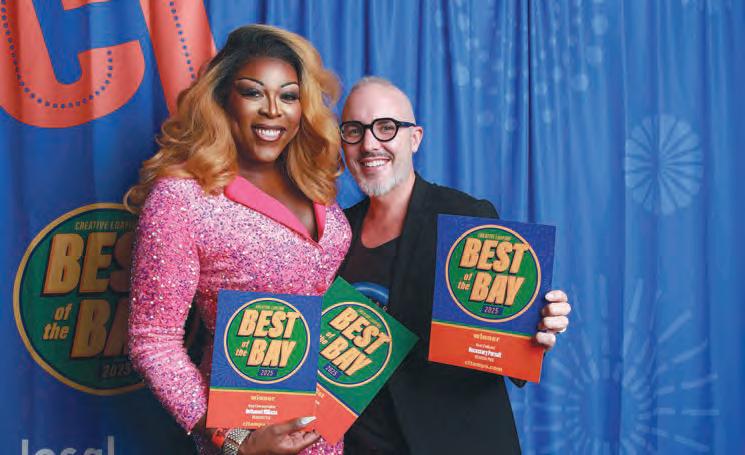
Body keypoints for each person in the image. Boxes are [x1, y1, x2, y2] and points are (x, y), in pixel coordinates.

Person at [126, 25, 351, 455]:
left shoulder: (312, 182)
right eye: (253, 92)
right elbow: (152, 341)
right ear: (223, 98)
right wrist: (235, 441)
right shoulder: (183, 197)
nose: (273, 110)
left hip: (325, 433)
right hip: (250, 437)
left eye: (289, 96)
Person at [336, 77, 572, 454]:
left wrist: (536, 325)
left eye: (386, 127)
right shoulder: (336, 232)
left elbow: (504, 335)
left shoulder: (466, 217)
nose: (369, 144)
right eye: (354, 130)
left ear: (414, 138)